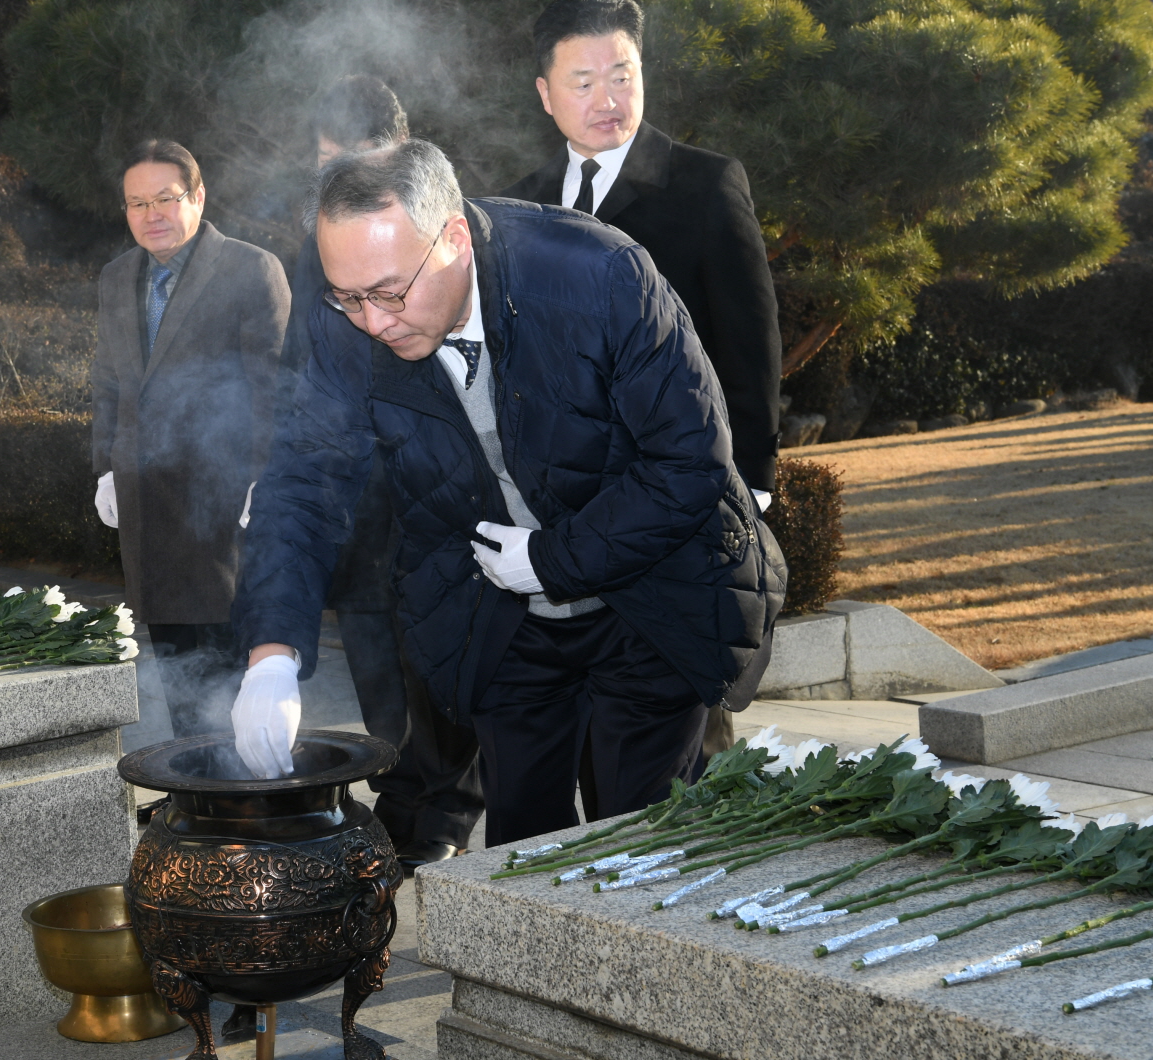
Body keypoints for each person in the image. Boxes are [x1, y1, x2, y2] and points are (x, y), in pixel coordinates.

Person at [229, 139, 785, 848]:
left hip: (650, 599)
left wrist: (555, 559)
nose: (374, 322)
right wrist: (271, 656)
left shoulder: (599, 276)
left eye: (392, 292)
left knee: (635, 837)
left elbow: (690, 462)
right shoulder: (348, 330)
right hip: (502, 618)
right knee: (522, 847)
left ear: (454, 237)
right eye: (349, 297)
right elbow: (302, 482)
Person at [503, 0, 783, 770]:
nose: (608, 98)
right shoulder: (522, 202)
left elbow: (749, 337)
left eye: (622, 75)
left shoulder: (705, 183)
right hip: (568, 517)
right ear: (545, 93)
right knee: (594, 732)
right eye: (585, 80)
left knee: (687, 726)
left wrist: (750, 483)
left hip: (677, 500)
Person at [280, 76, 483, 875]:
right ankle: (399, 800)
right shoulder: (317, 245)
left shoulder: (430, 235)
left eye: (352, 161)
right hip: (354, 488)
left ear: (397, 153)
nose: (336, 183)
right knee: (371, 647)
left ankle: (448, 809)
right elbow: (302, 358)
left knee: (437, 658)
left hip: (427, 482)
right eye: (324, 164)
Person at [91, 139, 288, 739]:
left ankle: (245, 799)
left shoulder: (251, 269)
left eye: (165, 199)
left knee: (233, 669)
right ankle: (197, 789)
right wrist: (106, 468)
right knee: (176, 668)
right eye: (135, 203)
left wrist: (269, 478)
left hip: (225, 507)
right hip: (148, 507)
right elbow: (109, 385)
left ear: (198, 197)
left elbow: (275, 387)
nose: (150, 214)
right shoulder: (117, 276)